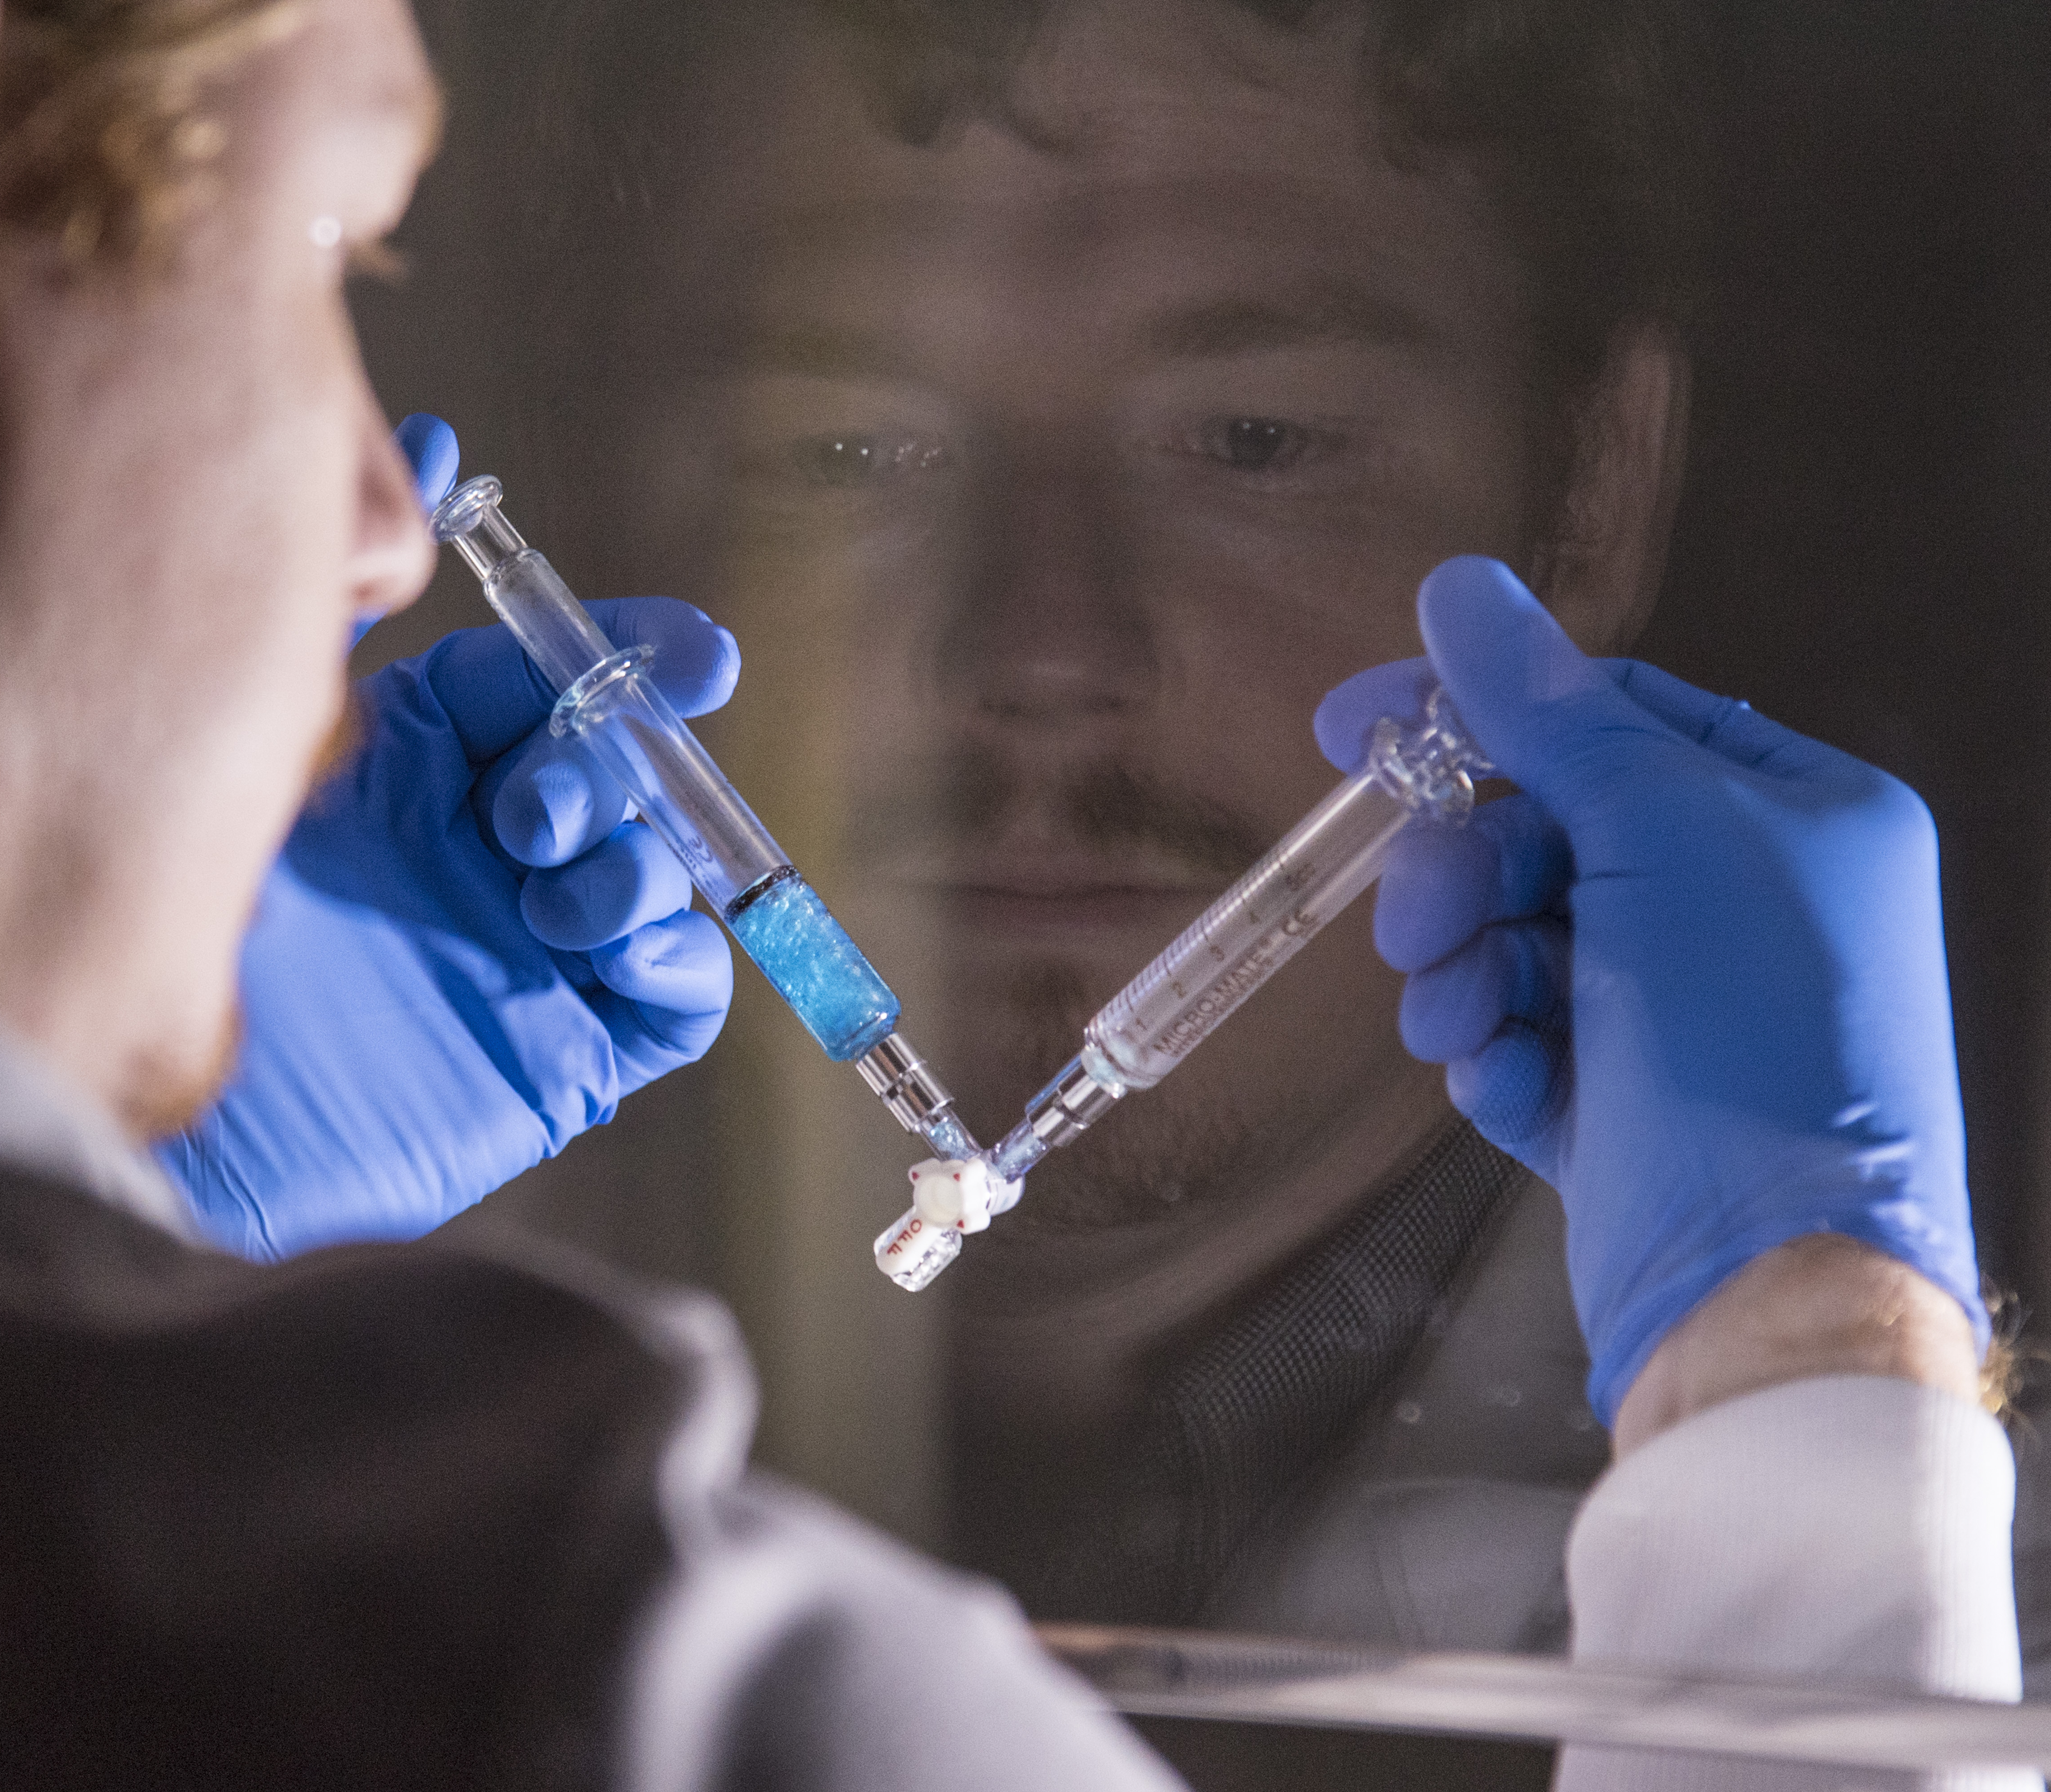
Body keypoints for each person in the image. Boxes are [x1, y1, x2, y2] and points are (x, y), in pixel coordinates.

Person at [0, 3, 2024, 1790]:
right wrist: (1807, 1408)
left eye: (1247, 432)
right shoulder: (555, 1666)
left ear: (1598, 480)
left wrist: (57, 1174)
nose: (393, 521)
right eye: (331, 264)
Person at [412, 0, 1783, 1662]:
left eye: (1255, 441)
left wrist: (1824, 1372)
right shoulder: (323, 1413)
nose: (1044, 653)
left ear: (1593, 495)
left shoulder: (1924, 1544)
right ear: (593, 499)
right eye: (846, 448)